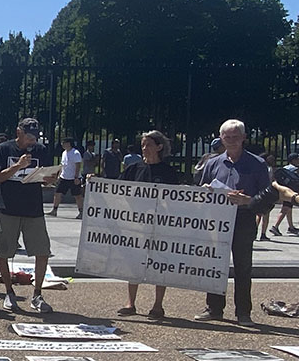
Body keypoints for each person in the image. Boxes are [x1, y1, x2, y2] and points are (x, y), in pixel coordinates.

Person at [195, 119, 268, 326]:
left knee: (243, 268)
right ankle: (214, 308)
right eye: (227, 137)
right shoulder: (213, 163)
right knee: (215, 265)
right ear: (221, 138)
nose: (231, 141)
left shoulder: (258, 164)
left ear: (244, 138)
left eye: (236, 137)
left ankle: (243, 312)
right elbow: (201, 191)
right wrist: (206, 191)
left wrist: (248, 200)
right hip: (217, 220)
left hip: (243, 219)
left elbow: (268, 197)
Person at [0, 117, 57, 314]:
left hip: (33, 208)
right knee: (3, 251)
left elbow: (45, 179)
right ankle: (9, 292)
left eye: (35, 136)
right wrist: (17, 166)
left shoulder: (41, 150)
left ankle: (37, 294)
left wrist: (50, 179)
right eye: (28, 136)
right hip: (7, 208)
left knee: (42, 251)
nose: (32, 140)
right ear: (18, 132)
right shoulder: (4, 149)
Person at [115, 130, 183, 319]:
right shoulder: (133, 169)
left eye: (149, 145)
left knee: (159, 263)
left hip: (160, 224)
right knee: (133, 262)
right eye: (143, 145)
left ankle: (157, 305)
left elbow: (175, 199)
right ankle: (130, 303)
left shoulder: (168, 172)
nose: (145, 148)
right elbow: (116, 191)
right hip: (136, 224)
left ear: (159, 147)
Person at [49, 137, 84, 219]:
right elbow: (63, 165)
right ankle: (54, 210)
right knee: (57, 193)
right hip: (64, 177)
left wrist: (76, 177)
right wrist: (58, 175)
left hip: (73, 178)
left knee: (77, 195)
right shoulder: (64, 152)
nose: (62, 144)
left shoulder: (75, 153)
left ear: (69, 143)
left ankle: (81, 212)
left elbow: (78, 165)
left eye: (64, 142)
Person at [269, 151, 299, 236]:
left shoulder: (285, 168)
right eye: (297, 159)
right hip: (291, 191)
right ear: (293, 160)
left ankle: (291, 227)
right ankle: (275, 226)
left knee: (288, 209)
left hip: (284, 191)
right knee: (285, 209)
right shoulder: (294, 169)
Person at [258, 153, 276, 240]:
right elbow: (272, 180)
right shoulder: (269, 169)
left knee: (258, 214)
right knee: (266, 214)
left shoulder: (258, 168)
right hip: (268, 192)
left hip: (259, 192)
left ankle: (254, 232)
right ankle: (263, 234)